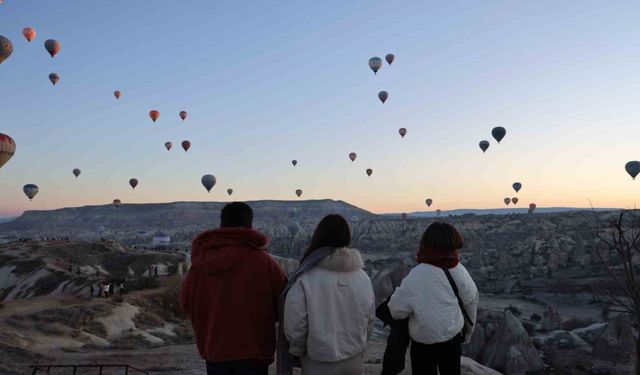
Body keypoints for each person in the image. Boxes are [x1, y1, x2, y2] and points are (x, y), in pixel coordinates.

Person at [180, 202, 287, 375]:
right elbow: (284, 303)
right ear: (250, 226)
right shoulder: (264, 262)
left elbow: (186, 303)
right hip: (254, 351)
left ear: (222, 224)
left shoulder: (200, 264)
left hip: (215, 349)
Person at [280, 214, 375, 375]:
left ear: (318, 237)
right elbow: (370, 317)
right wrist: (360, 344)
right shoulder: (363, 277)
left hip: (318, 362)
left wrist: (299, 351)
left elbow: (295, 323)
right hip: (354, 360)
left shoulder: (305, 277)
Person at [387, 222, 479, 375]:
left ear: (425, 245)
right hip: (452, 339)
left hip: (423, 343)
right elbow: (471, 303)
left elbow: (396, 311)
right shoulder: (460, 271)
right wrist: (468, 333)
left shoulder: (416, 275)